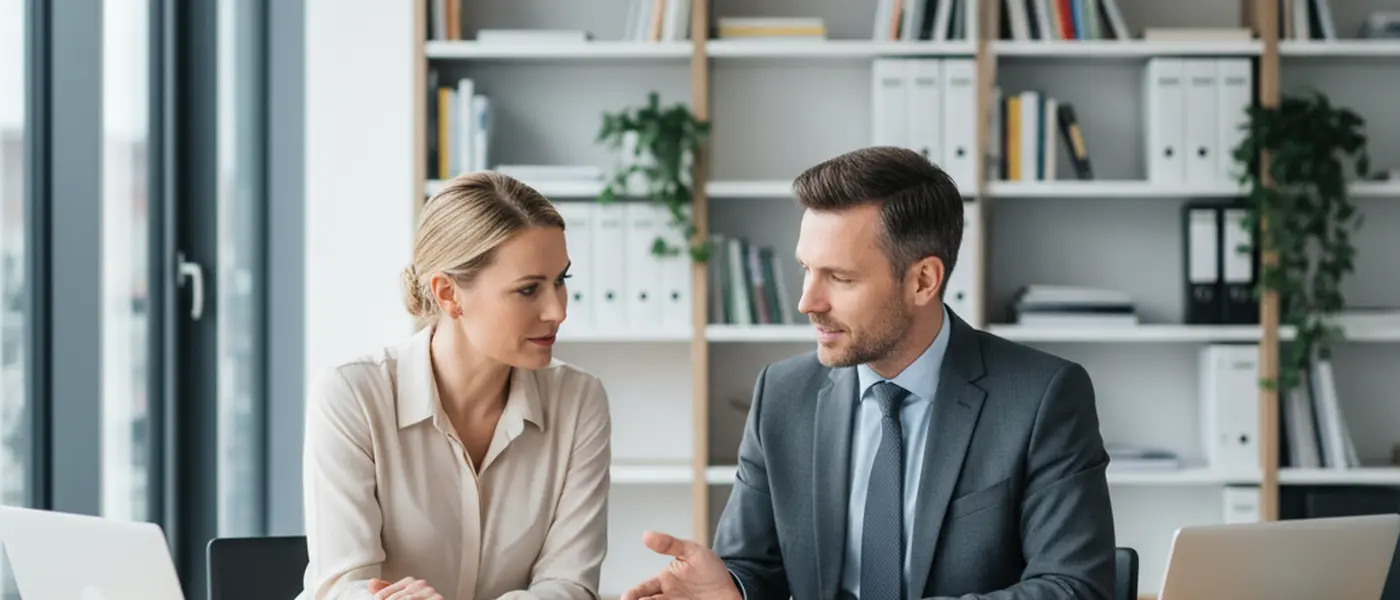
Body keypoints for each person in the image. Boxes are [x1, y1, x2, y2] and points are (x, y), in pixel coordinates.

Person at [623, 147, 1116, 600]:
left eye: (839, 278)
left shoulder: (1041, 397)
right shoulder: (782, 394)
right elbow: (754, 566)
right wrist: (732, 588)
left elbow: (1074, 587)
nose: (807, 302)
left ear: (923, 280)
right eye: (806, 269)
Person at [298, 171, 612, 600]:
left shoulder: (579, 400)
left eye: (561, 281)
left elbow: (569, 584)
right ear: (448, 293)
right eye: (528, 290)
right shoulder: (352, 395)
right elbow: (340, 589)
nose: (557, 311)